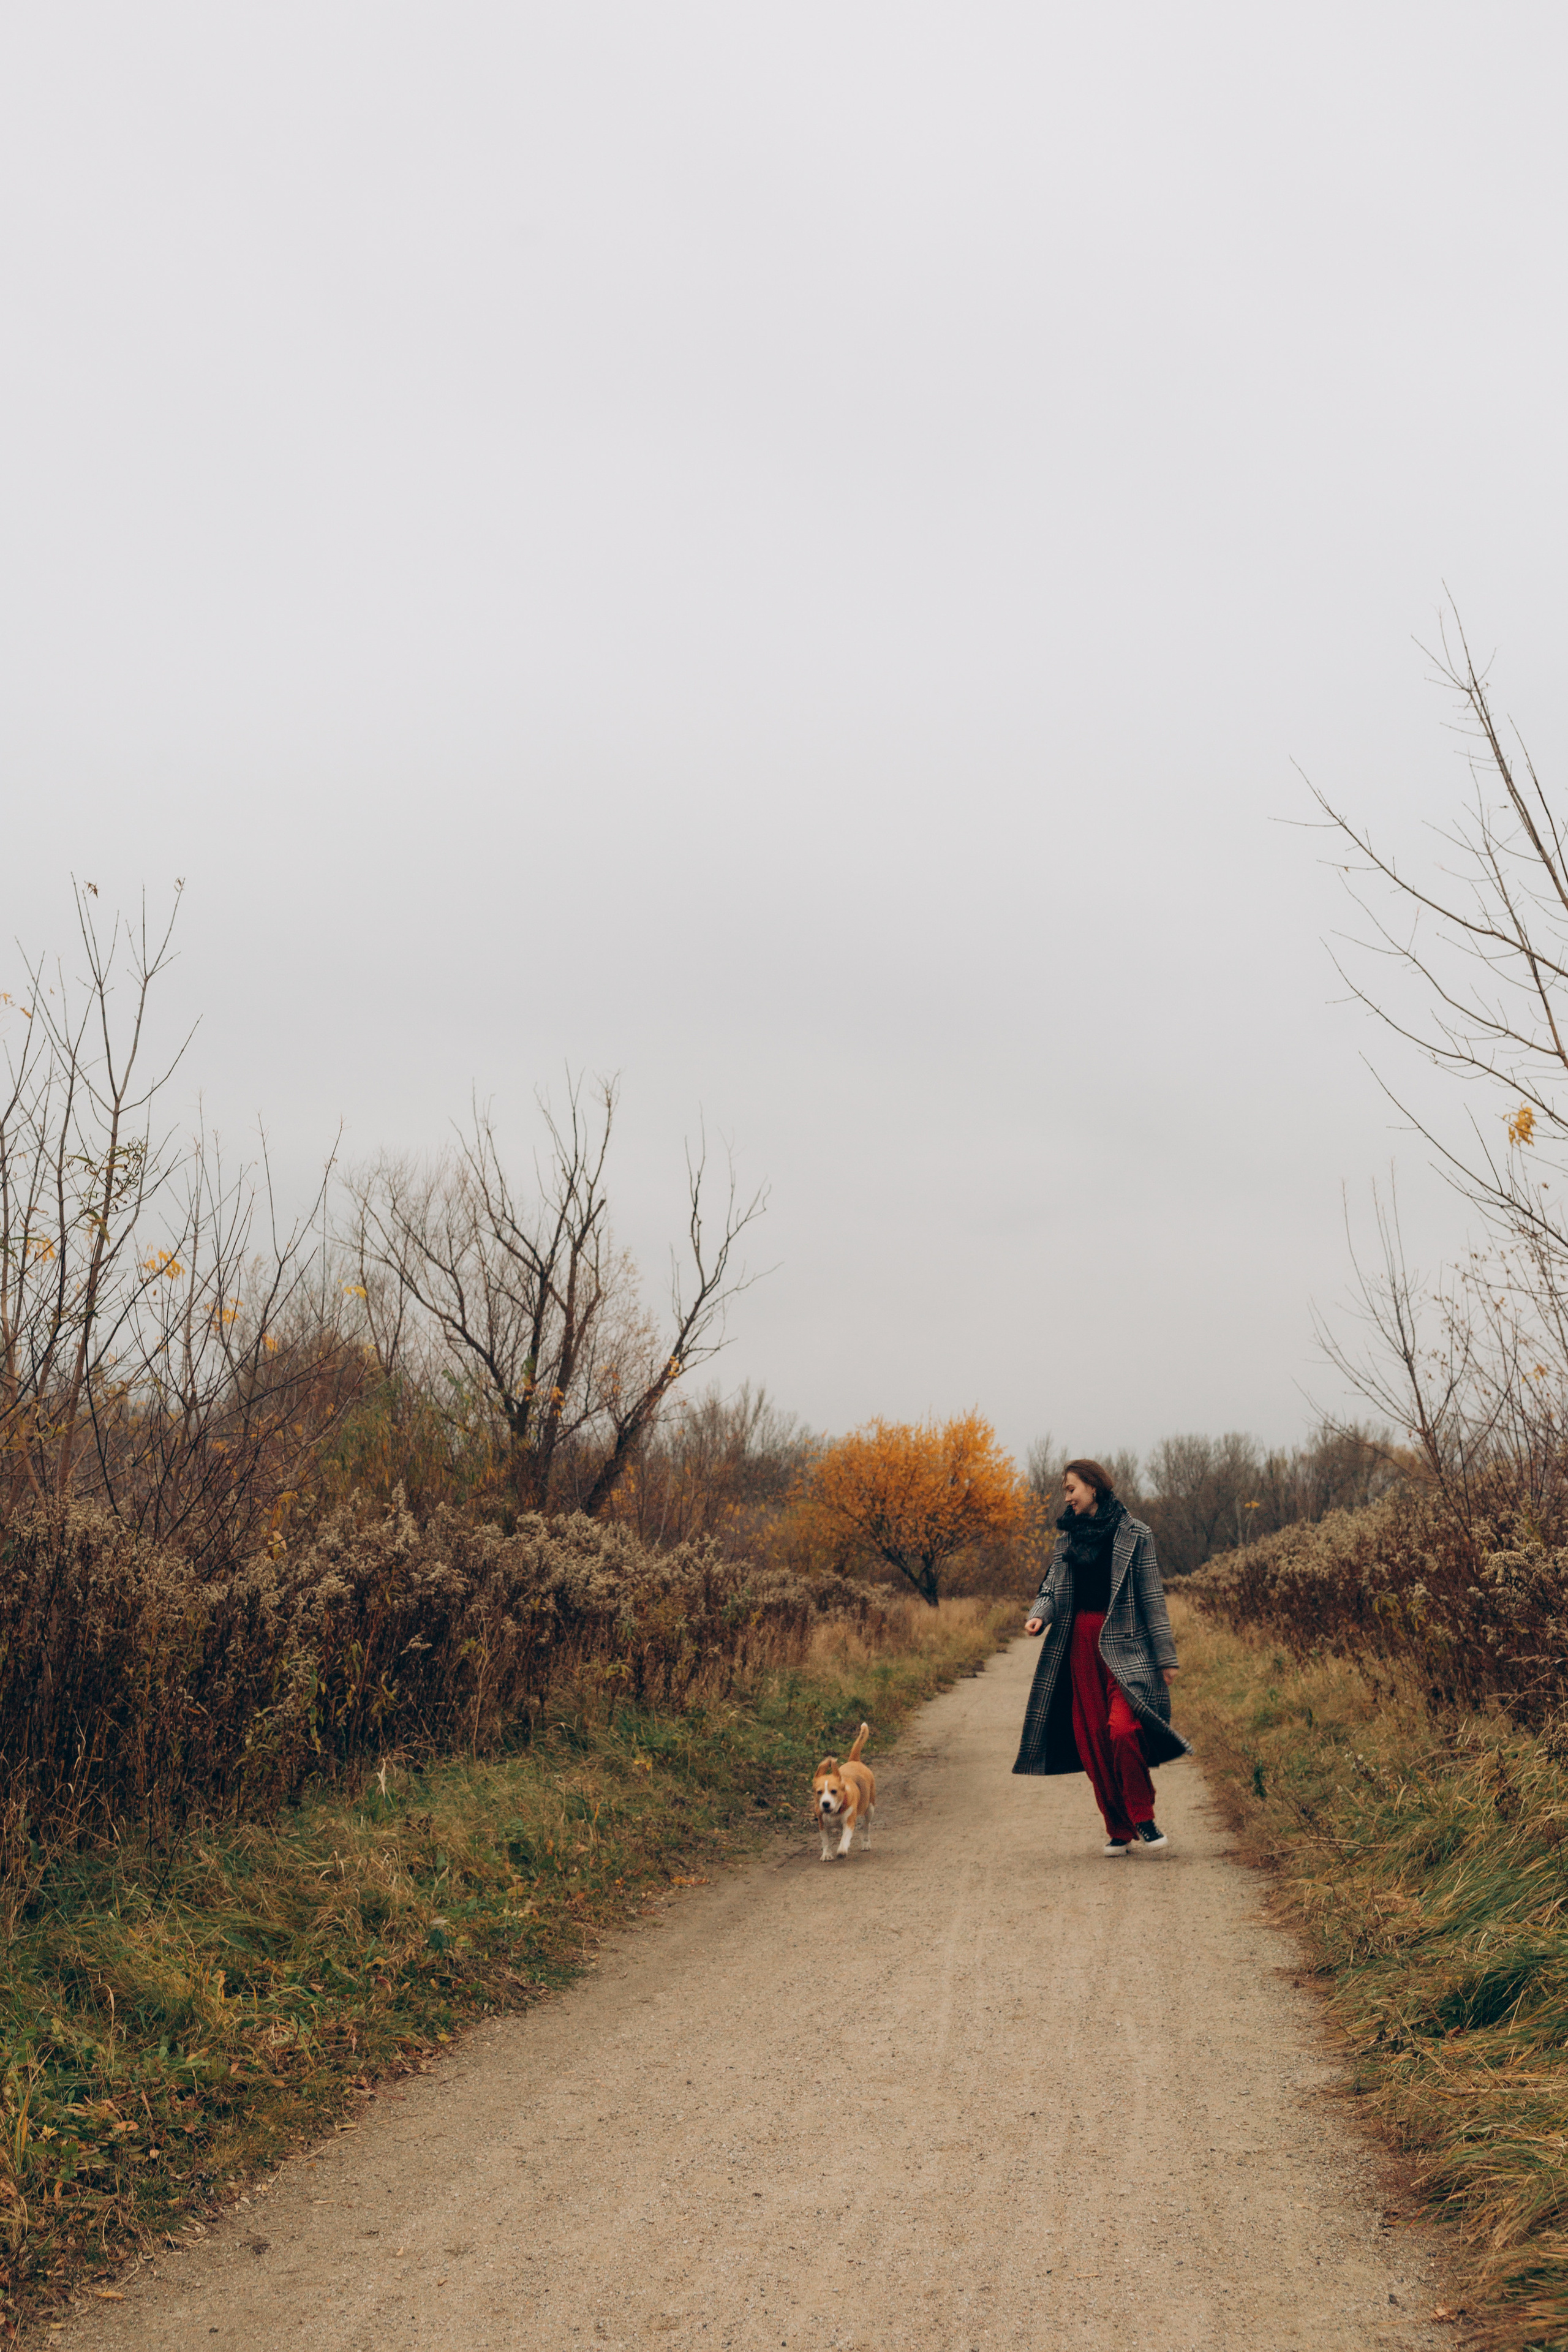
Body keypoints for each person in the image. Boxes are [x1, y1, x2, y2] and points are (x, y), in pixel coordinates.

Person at [1011, 1458, 1190, 1854]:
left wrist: (1166, 1658)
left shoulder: (1136, 1535)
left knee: (1123, 1731)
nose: (1067, 1497)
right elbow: (1052, 1590)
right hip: (1079, 1649)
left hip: (1127, 1649)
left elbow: (1152, 1600)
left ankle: (1142, 1815)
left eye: (1071, 1489)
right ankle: (1118, 1827)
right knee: (1092, 1741)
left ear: (1094, 1487)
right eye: (1065, 1491)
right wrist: (1039, 1617)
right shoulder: (1068, 1540)